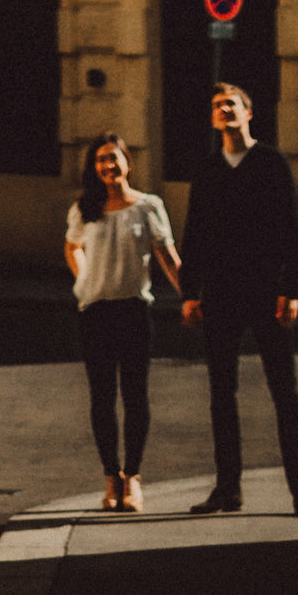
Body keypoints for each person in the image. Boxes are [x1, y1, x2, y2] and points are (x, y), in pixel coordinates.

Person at [180, 82, 298, 519]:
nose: (224, 110)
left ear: (248, 113)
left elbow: (292, 227)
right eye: (217, 106)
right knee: (221, 394)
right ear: (213, 119)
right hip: (220, 294)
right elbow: (195, 234)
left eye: (232, 104)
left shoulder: (272, 163)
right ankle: (228, 489)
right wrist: (189, 292)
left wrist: (291, 289)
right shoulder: (207, 170)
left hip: (266, 291)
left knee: (285, 392)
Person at [65, 132, 182, 513]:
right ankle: (110, 477)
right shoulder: (85, 208)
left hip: (133, 310)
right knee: (101, 398)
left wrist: (191, 296)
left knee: (134, 396)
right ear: (93, 168)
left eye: (114, 159)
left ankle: (132, 477)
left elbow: (167, 256)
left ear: (127, 163)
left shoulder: (148, 206)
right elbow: (72, 246)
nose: (108, 166)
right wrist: (82, 280)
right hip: (95, 312)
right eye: (101, 160)